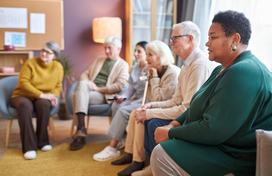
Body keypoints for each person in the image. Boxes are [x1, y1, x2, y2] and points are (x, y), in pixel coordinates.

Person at [151, 10, 272, 176]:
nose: (207, 43)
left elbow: (214, 129)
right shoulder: (221, 69)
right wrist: (175, 123)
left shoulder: (244, 71)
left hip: (233, 154)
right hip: (222, 145)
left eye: (213, 37)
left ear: (234, 40)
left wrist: (170, 132)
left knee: (161, 153)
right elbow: (197, 105)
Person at [131, 21, 215, 176]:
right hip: (185, 114)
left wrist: (150, 113)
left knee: (153, 122)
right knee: (148, 117)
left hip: (195, 120)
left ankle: (154, 164)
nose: (170, 43)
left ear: (190, 39)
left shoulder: (199, 65)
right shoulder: (185, 66)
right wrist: (152, 106)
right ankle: (149, 163)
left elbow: (187, 109)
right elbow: (175, 101)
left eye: (175, 38)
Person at [112, 40, 181, 176]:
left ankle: (138, 161)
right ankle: (132, 154)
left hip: (170, 110)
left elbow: (161, 99)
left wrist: (153, 79)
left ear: (161, 56)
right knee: (134, 113)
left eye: (150, 55)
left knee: (141, 115)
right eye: (147, 54)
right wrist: (150, 79)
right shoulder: (155, 70)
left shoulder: (172, 72)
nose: (147, 58)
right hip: (160, 106)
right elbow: (149, 97)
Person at [70, 36, 129, 151]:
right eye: (105, 48)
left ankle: (80, 132)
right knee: (82, 85)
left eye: (110, 48)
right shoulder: (99, 59)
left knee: (74, 96)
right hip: (89, 90)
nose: (106, 51)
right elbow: (86, 73)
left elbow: (120, 85)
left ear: (118, 48)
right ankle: (81, 129)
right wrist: (86, 82)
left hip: (104, 94)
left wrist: (97, 89)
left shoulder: (123, 64)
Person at [93, 41, 149, 161]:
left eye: (139, 51)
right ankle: (121, 138)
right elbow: (130, 89)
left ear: (146, 53)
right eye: (135, 50)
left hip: (145, 101)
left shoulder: (150, 70)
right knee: (116, 105)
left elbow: (148, 95)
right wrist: (123, 97)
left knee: (123, 110)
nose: (135, 53)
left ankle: (112, 148)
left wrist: (131, 103)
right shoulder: (134, 68)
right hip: (135, 99)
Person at [10, 41, 63, 160]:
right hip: (22, 95)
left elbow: (58, 85)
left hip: (42, 97)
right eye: (43, 50)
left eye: (48, 52)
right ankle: (29, 147)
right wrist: (41, 94)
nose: (43, 54)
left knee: (44, 105)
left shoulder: (58, 67)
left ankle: (42, 142)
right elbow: (23, 83)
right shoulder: (31, 62)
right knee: (24, 106)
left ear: (54, 56)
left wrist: (53, 96)